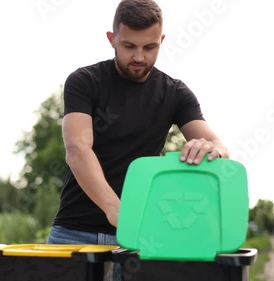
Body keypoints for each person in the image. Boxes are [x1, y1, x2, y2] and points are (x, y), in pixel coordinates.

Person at [47, 0, 228, 259]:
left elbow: (220, 147)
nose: (139, 57)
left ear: (161, 40)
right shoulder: (84, 82)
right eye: (129, 46)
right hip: (73, 234)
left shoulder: (175, 93)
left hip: (142, 239)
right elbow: (78, 149)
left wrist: (212, 150)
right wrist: (115, 209)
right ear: (112, 39)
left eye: (150, 47)